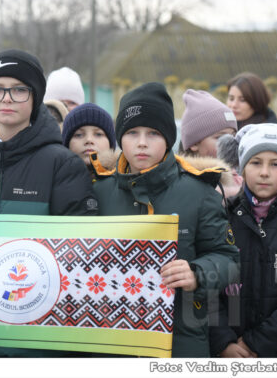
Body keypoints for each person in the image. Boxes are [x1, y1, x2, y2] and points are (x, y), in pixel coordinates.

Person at [0, 49, 98, 357]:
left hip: (31, 342)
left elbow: (81, 255)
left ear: (35, 97)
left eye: (19, 90)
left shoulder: (62, 165)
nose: (6, 99)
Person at [90, 82, 239, 358]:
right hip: (112, 344)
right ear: (120, 137)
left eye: (154, 133)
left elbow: (229, 261)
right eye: (132, 132)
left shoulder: (200, 193)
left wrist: (197, 273)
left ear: (169, 139)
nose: (142, 142)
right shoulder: (97, 193)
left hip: (180, 343)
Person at [209, 123, 277, 358]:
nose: (264, 172)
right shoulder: (221, 217)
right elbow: (207, 287)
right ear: (242, 167)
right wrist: (223, 342)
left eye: (276, 164)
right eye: (256, 162)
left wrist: (254, 343)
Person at [62, 102, 116, 179]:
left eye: (98, 134)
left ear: (111, 144)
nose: (89, 140)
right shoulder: (53, 180)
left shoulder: (125, 182)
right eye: (79, 135)